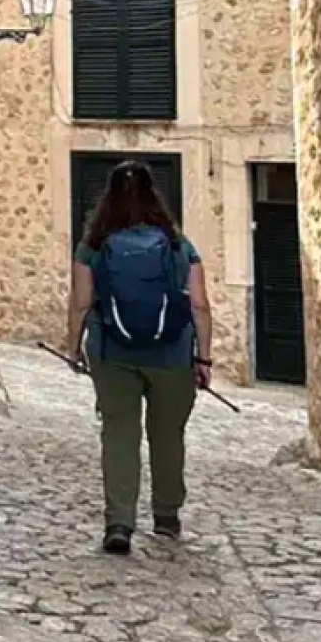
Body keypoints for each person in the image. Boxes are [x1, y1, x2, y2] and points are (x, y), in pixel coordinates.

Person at [63, 160, 213, 555]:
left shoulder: (92, 246)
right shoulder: (180, 247)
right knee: (167, 435)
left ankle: (119, 523)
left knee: (118, 433)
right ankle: (166, 516)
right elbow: (199, 305)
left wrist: (73, 347)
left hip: (112, 353)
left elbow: (80, 303)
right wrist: (205, 359)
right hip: (173, 354)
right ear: (154, 196)